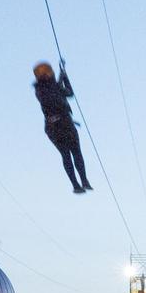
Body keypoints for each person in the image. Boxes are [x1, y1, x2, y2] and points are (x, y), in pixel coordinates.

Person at [31, 62, 91, 194]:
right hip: (59, 125)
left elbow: (68, 93)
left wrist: (64, 77)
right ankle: (77, 183)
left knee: (73, 153)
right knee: (69, 154)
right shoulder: (43, 90)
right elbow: (58, 97)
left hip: (59, 124)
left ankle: (83, 181)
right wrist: (62, 78)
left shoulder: (46, 88)